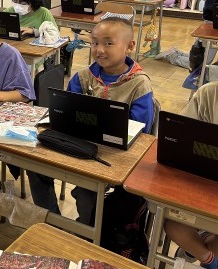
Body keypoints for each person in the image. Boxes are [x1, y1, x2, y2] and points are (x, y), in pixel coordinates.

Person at [27, 17, 154, 222]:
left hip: (110, 155)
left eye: (108, 43)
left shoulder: (139, 84)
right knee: (35, 167)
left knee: (87, 194)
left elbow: (140, 131)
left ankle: (86, 232)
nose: (99, 50)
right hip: (77, 144)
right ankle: (51, 222)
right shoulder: (83, 76)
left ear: (129, 46)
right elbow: (66, 112)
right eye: (95, 43)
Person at [164, 31, 218, 269]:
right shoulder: (208, 94)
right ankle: (205, 255)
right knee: (171, 222)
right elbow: (181, 140)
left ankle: (202, 243)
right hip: (200, 188)